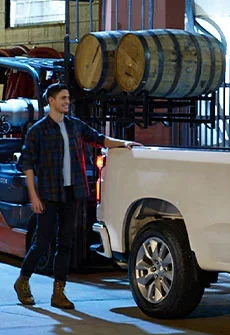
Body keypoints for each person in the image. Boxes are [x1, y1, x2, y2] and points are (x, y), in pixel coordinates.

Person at [13, 82, 141, 309]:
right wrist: (33, 196)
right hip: (49, 194)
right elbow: (27, 165)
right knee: (42, 241)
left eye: (68, 98)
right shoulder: (38, 131)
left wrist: (124, 143)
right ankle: (22, 281)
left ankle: (58, 292)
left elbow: (98, 138)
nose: (67, 102)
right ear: (51, 101)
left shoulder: (74, 126)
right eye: (63, 98)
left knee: (66, 243)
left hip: (73, 193)